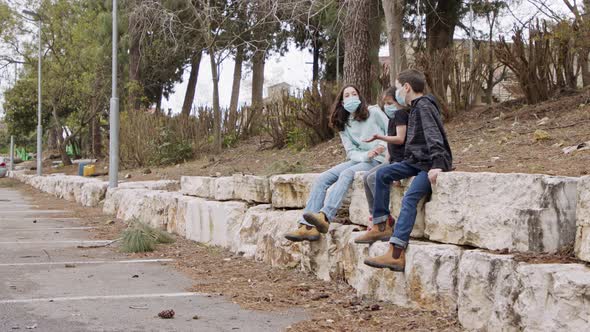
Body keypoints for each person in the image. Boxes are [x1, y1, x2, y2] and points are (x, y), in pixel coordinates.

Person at [362, 69, 452, 271]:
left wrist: (437, 164)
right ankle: (381, 224)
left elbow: (433, 134)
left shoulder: (424, 106)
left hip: (428, 163)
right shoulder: (416, 107)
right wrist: (398, 167)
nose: (397, 91)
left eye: (397, 86)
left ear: (407, 87)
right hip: (415, 160)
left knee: (410, 197)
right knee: (382, 174)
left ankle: (396, 253)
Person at [284, 84, 389, 242]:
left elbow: (391, 130)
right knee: (322, 178)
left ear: (360, 98)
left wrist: (382, 147)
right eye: (347, 95)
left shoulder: (373, 112)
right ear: (342, 101)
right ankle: (307, 228)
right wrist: (365, 155)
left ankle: (325, 217)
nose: (351, 97)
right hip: (360, 158)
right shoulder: (343, 122)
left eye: (354, 94)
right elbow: (351, 151)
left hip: (379, 159)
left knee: (347, 174)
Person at [354, 87, 409, 244]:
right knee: (367, 177)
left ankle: (383, 221)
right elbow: (390, 147)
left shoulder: (401, 114)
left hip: (401, 160)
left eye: (390, 102)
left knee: (374, 178)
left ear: (399, 102)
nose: (387, 106)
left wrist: (380, 137)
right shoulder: (392, 118)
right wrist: (386, 161)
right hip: (392, 160)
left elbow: (400, 139)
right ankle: (376, 218)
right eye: (385, 103)